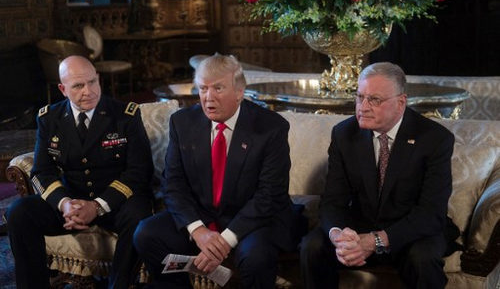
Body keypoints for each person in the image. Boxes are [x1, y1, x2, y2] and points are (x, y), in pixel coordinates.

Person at [133, 53, 294, 288]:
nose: (208, 97)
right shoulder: (182, 122)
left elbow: (269, 195)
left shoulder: (271, 127)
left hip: (252, 219)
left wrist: (224, 241)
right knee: (146, 234)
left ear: (239, 92)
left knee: (255, 257)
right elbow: (173, 184)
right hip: (203, 215)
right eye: (203, 88)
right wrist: (198, 231)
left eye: (218, 88)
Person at [300, 62, 455, 289]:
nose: (363, 107)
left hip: (410, 232)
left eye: (374, 100)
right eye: (360, 96)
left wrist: (376, 241)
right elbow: (333, 201)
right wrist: (339, 237)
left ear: (401, 102)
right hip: (358, 228)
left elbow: (431, 213)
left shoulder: (434, 139)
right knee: (312, 247)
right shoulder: (345, 134)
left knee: (423, 259)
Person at [6, 55, 154, 289]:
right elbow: (41, 172)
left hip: (114, 203)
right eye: (78, 86)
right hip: (71, 202)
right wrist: (64, 203)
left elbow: (139, 171)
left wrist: (96, 206)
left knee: (140, 213)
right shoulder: (49, 118)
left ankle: (119, 285)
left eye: (93, 82)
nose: (89, 91)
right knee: (19, 211)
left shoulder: (125, 115)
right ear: (63, 89)